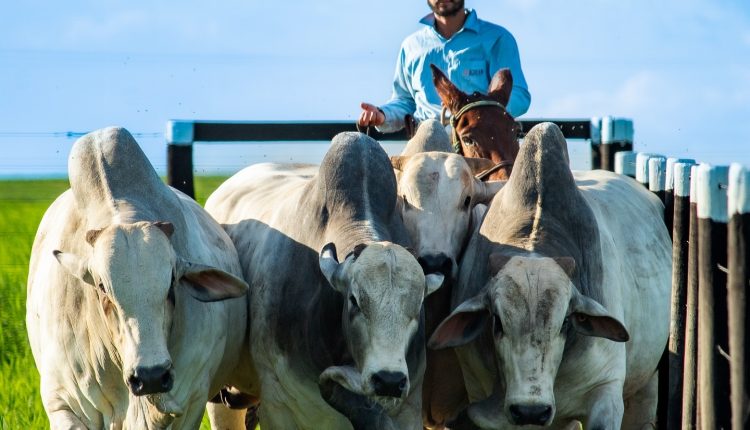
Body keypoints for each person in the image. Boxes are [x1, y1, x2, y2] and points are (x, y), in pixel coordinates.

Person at [358, 0, 531, 134]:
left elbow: (518, 95)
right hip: (425, 145)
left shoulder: (497, 38)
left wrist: (479, 115)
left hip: (481, 143)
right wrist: (382, 115)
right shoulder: (411, 46)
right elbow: (405, 102)